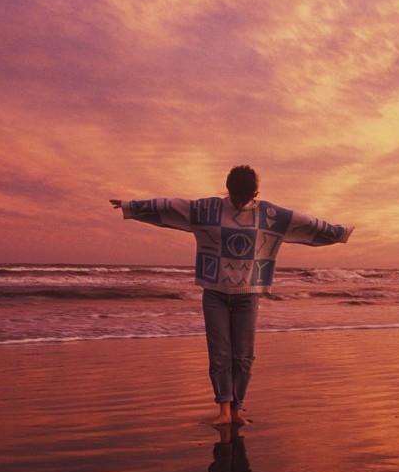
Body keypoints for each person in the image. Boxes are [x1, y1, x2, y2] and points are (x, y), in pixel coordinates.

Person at [110, 165, 353, 425]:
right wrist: (131, 206)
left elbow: (305, 221)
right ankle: (224, 409)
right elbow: (172, 206)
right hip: (214, 292)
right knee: (219, 353)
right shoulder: (208, 209)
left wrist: (339, 232)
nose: (240, 204)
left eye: (246, 198)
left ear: (254, 193)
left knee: (244, 355)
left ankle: (238, 409)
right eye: (236, 198)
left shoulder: (270, 214)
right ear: (228, 190)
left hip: (247, 295)